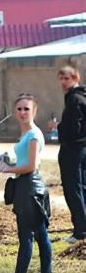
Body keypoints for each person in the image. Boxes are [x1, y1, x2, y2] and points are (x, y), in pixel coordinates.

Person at [0, 94, 52, 273]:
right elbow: (22, 161)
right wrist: (10, 161)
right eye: (19, 109)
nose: (22, 112)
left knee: (27, 236)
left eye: (26, 109)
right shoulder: (26, 135)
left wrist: (5, 169)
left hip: (30, 189)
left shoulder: (34, 135)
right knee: (40, 235)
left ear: (34, 111)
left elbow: (31, 165)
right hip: (26, 187)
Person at [57, 66, 86, 244]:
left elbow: (73, 128)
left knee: (73, 189)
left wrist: (59, 128)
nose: (62, 82)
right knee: (82, 188)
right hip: (82, 149)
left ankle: (80, 231)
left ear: (75, 78)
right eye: (60, 78)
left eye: (66, 78)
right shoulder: (82, 96)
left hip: (73, 150)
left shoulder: (75, 99)